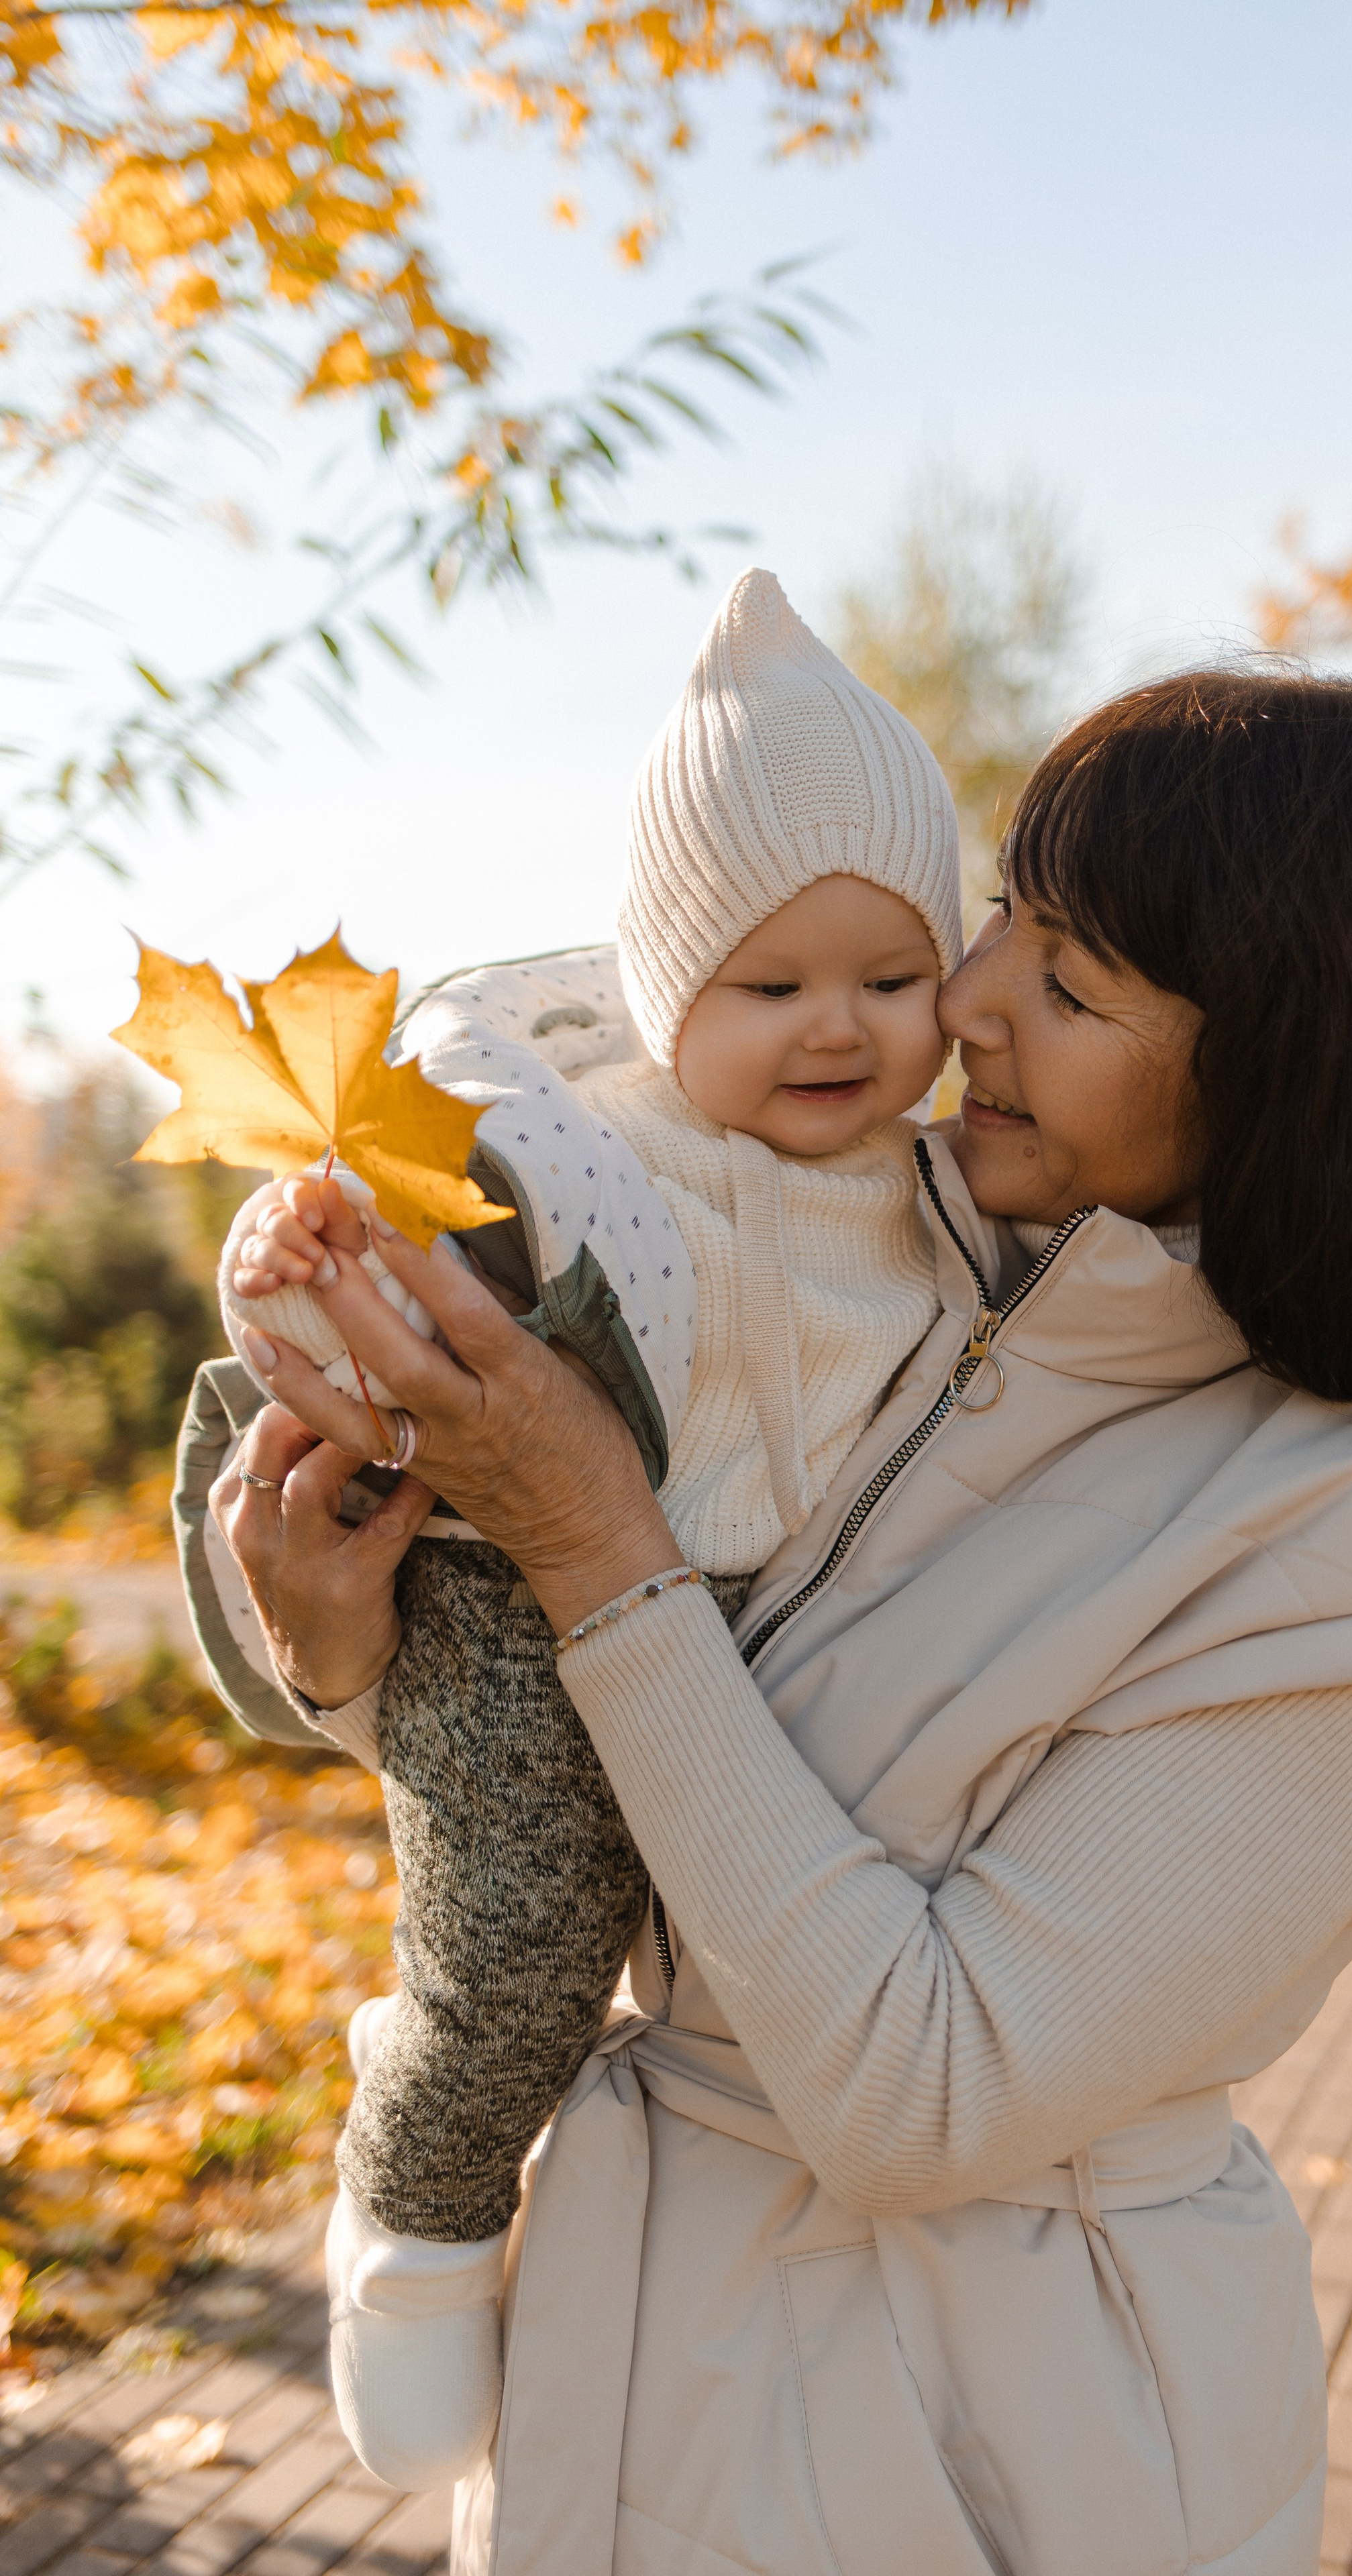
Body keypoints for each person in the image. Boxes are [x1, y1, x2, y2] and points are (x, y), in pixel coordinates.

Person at [213, 672, 1352, 2576]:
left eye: (1067, 981)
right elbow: (659, 1755)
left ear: (1292, 1065)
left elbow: (930, 2086)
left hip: (973, 2445)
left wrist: (589, 1533)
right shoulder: (951, 1311)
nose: (962, 998)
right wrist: (348, 1652)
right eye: (1002, 917)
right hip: (645, 2360)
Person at [197, 568, 966, 2451]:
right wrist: (301, 1253)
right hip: (505, 1615)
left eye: (891, 978)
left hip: (728, 1640)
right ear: (662, 985)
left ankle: (453, 2059)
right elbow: (358, 1325)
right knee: (528, 1932)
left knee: (663, 1934)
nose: (836, 1030)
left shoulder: (943, 1197)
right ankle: (421, 2224)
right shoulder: (570, 1154)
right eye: (768, 984)